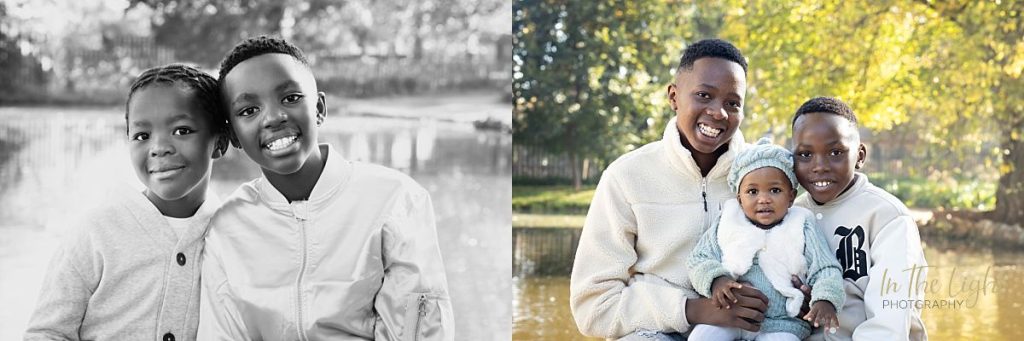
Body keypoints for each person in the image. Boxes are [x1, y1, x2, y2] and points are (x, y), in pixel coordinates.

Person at [197, 35, 453, 340]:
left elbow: (416, 326)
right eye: (248, 110)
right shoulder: (226, 227)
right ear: (233, 136)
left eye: (290, 98)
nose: (274, 117)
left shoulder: (395, 200)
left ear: (318, 108)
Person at [570, 38, 774, 340]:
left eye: (733, 103)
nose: (718, 112)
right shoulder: (626, 176)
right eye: (704, 95)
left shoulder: (766, 175)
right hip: (654, 331)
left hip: (745, 331)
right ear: (674, 96)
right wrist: (693, 309)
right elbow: (594, 306)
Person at [25, 64, 229, 340]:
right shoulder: (96, 232)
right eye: (142, 136)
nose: (159, 147)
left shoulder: (231, 234)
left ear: (220, 142)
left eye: (181, 130)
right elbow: (46, 332)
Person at [790, 97, 928, 340]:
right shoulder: (792, 214)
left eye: (835, 152)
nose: (819, 166)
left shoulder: (888, 217)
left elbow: (888, 326)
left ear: (860, 156)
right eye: (805, 154)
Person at [687, 138, 845, 340]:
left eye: (775, 190)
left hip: (784, 322)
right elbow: (699, 258)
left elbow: (825, 268)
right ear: (739, 199)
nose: (763, 199)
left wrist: (825, 299)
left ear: (791, 196)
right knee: (701, 337)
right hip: (730, 315)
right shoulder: (728, 221)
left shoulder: (802, 224)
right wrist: (717, 280)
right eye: (752, 192)